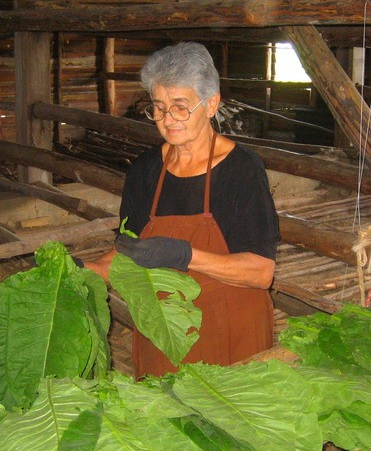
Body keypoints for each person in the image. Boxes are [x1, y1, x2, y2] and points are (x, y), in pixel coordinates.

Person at [86, 42, 280, 378]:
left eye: (180, 107)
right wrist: (86, 270)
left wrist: (185, 256)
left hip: (230, 330)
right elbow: (129, 250)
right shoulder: (145, 170)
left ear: (211, 104)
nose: (167, 120)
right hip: (166, 332)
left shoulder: (242, 170)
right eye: (159, 108)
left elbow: (260, 273)